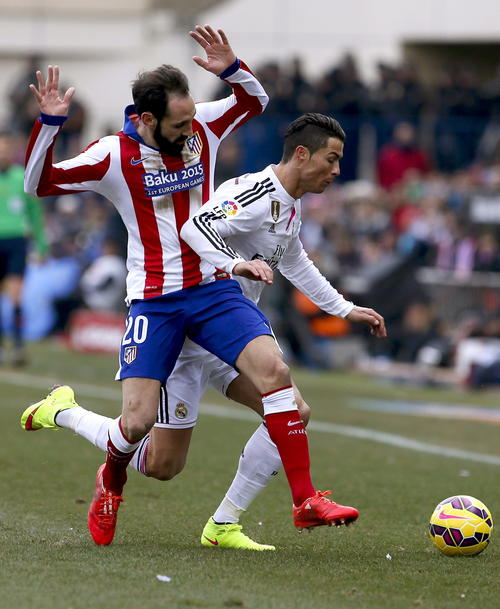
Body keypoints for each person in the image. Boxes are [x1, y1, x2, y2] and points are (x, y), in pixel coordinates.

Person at [24, 26, 380, 548]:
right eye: (179, 121)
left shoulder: (202, 129)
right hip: (156, 301)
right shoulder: (111, 156)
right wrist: (51, 125)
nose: (193, 127)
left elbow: (255, 101)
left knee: (278, 377)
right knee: (142, 432)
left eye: (194, 116)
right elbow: (39, 184)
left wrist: (232, 68)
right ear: (146, 120)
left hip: (214, 292)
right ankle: (89, 445)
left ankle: (302, 501)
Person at [0, 131, 48, 365]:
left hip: (17, 241)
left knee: (15, 295)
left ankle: (18, 345)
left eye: (6, 149)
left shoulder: (21, 176)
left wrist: (41, 245)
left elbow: (35, 214)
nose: (3, 154)